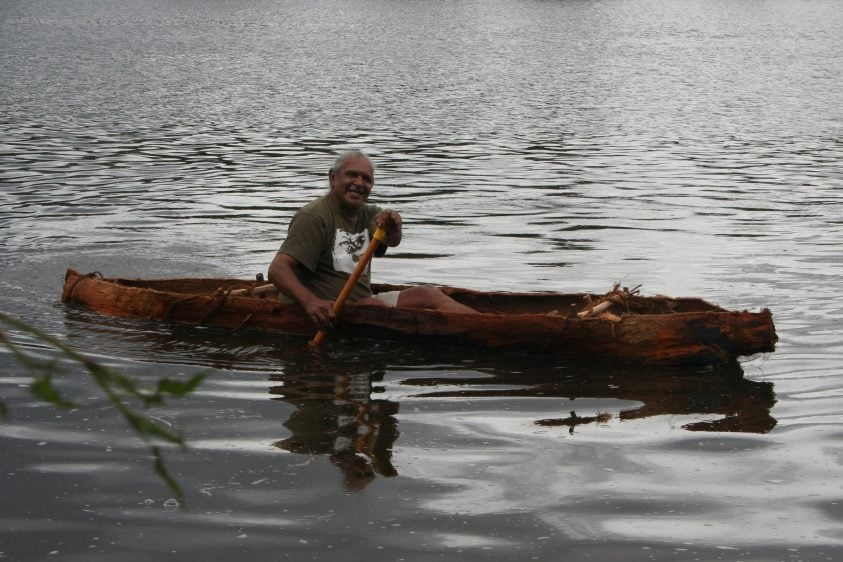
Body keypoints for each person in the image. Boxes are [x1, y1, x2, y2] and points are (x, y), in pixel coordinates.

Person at [268, 150, 478, 329]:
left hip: (363, 304)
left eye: (366, 179)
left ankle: (484, 324)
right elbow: (278, 269)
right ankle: (487, 329)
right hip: (330, 309)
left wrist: (393, 226)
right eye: (352, 175)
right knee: (377, 307)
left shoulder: (370, 213)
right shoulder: (314, 216)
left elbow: (391, 240)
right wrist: (311, 303)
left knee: (429, 294)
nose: (359, 183)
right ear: (333, 178)